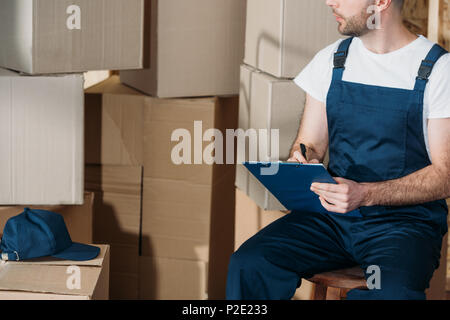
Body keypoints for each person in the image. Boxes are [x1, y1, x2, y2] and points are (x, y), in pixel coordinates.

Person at [226, 0, 450, 300]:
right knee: (251, 263)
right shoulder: (332, 60)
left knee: (390, 292)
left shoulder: (438, 70)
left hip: (404, 226)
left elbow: (445, 175)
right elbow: (311, 143)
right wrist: (302, 158)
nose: (331, 1)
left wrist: (366, 194)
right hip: (332, 219)